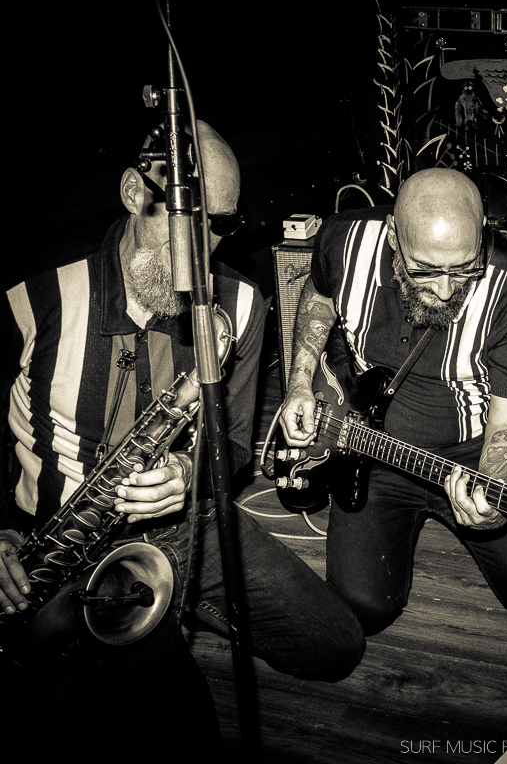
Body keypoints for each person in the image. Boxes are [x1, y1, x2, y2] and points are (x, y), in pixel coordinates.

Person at [0, 121, 364, 748]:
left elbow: (237, 447)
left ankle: (171, 598)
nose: (201, 250)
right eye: (185, 218)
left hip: (186, 520)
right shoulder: (32, 294)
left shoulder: (240, 305)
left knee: (335, 645)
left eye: (219, 224)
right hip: (55, 538)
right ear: (132, 193)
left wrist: (188, 474)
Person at [279, 168, 507, 637]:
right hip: (367, 445)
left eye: (464, 268)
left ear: (483, 232)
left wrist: (494, 494)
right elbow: (319, 294)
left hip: (469, 455)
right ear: (393, 237)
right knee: (362, 609)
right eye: (424, 270)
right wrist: (299, 382)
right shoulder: (342, 238)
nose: (445, 289)